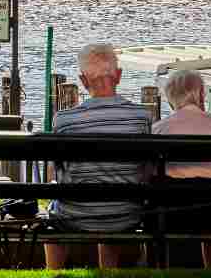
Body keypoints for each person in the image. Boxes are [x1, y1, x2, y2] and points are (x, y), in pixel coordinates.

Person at [46, 43, 151, 269]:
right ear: (119, 76)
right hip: (125, 215)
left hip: (76, 214)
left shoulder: (64, 120)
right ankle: (109, 271)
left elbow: (57, 170)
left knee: (54, 209)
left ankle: (52, 273)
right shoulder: (141, 116)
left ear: (83, 81)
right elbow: (145, 168)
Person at [151, 68, 211, 269]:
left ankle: (162, 271)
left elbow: (148, 173)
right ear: (201, 94)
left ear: (170, 98)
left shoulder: (158, 129)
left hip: (173, 214)